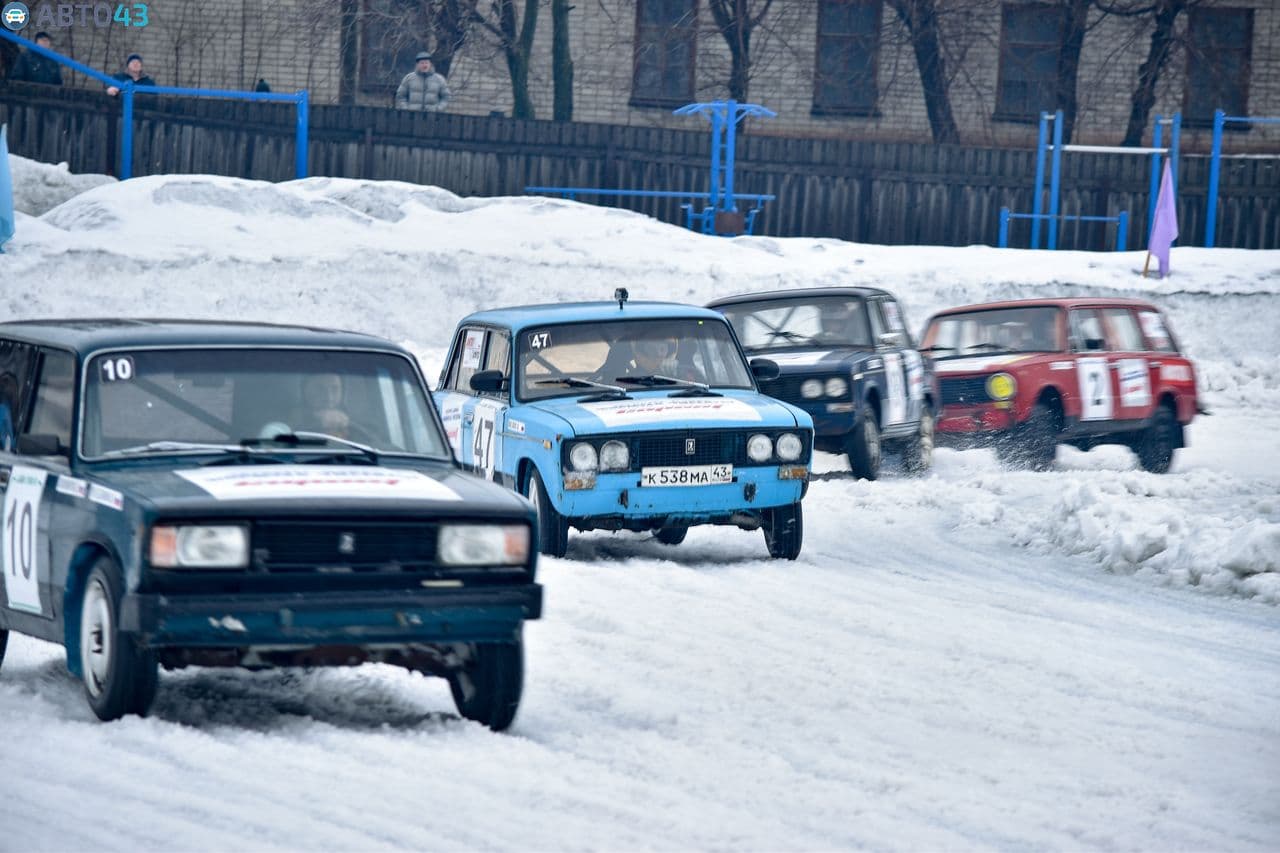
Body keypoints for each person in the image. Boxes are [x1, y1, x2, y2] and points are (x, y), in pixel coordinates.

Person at [289, 373, 350, 438]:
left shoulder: (352, 422)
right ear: (304, 390)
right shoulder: (290, 420)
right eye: (320, 389)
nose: (329, 397)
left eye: (335, 389)